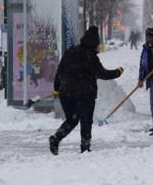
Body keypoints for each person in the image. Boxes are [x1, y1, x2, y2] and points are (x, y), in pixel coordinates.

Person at [49, 26, 124, 155]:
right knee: (86, 120)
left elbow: (59, 72)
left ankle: (56, 138)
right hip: (84, 94)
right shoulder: (91, 57)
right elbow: (103, 74)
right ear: (95, 43)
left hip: (66, 94)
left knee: (72, 119)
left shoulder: (70, 52)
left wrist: (56, 89)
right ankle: (85, 147)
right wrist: (118, 72)